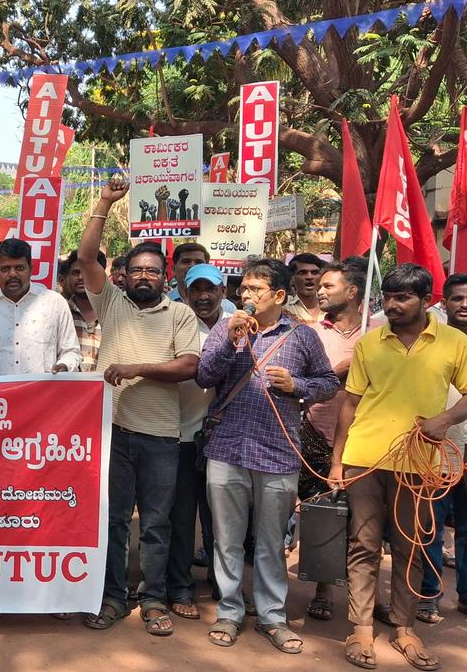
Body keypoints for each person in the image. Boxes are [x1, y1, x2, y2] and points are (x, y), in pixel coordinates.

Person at [76, 180, 201, 637]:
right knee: (111, 521)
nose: (145, 276)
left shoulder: (180, 315)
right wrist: (106, 202)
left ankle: (152, 599)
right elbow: (86, 257)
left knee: (156, 523)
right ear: (122, 276)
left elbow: (189, 365)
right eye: (137, 270)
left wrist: (136, 368)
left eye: (153, 270)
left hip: (162, 436)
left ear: (165, 276)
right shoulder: (109, 303)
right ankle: (111, 597)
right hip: (111, 433)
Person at [196, 258, 337, 654]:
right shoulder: (227, 328)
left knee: (272, 541)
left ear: (279, 295)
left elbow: (327, 384)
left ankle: (272, 616)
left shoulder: (303, 337)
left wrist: (298, 384)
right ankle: (229, 611)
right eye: (243, 290)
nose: (246, 296)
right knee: (226, 540)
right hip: (226, 448)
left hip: (278, 452)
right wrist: (229, 340)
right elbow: (205, 376)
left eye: (255, 290)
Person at [331, 264, 467, 672]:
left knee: (411, 546)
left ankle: (405, 627)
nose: (392, 305)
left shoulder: (455, 342)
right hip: (365, 458)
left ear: (428, 300)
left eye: (402, 298)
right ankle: (360, 628)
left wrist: (442, 421)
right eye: (388, 297)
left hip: (419, 462)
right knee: (364, 543)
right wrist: (337, 460)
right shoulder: (371, 344)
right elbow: (350, 404)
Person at [300, 259, 370, 623]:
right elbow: (302, 379)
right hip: (315, 432)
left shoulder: (379, 332)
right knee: (321, 514)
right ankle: (323, 587)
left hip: (366, 437)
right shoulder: (309, 331)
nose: (320, 291)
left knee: (366, 523)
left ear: (354, 292)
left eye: (329, 286)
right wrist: (339, 371)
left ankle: (367, 601)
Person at [166, 263, 225, 621]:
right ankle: (181, 585)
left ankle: (224, 586)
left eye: (210, 289)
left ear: (223, 291)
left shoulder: (238, 327)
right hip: (184, 435)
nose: (203, 296)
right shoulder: (174, 323)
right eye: (196, 290)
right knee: (183, 517)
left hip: (225, 439)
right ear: (184, 293)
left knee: (223, 519)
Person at [417, 273, 467, 623]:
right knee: (429, 527)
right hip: (437, 450)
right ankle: (428, 595)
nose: (464, 304)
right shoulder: (428, 342)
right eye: (457, 298)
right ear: (444, 303)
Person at [0, 238, 81, 378]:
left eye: (19, 268)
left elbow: (71, 352)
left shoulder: (54, 303)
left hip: (43, 395)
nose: (12, 274)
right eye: (5, 269)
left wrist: (64, 366)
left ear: (30, 269)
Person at [61, 249, 104, 372]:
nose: (80, 277)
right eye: (75, 272)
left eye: (86, 272)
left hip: (108, 389)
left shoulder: (114, 313)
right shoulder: (59, 312)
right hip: (68, 389)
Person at [166, 242, 236, 313]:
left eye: (198, 262)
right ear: (174, 269)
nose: (192, 266)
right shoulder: (163, 302)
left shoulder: (227, 307)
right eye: (186, 261)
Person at [286, 253, 326, 324]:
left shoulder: (331, 306)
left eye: (314, 272)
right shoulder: (283, 307)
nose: (309, 277)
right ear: (292, 278)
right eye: (302, 273)